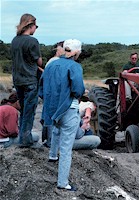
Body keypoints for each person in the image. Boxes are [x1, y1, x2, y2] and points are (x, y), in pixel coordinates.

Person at [39, 39, 85, 191]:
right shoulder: (75, 66)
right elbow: (78, 89)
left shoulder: (51, 65)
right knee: (66, 149)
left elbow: (41, 87)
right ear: (76, 52)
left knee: (56, 130)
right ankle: (63, 183)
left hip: (52, 109)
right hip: (69, 108)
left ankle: (52, 155)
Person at [10, 13, 42, 147]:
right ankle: (25, 139)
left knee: (23, 109)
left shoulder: (14, 40)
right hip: (30, 79)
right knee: (30, 110)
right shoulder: (32, 41)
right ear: (31, 25)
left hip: (17, 80)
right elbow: (38, 61)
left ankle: (22, 138)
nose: (36, 29)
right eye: (36, 26)